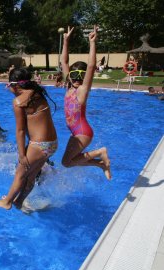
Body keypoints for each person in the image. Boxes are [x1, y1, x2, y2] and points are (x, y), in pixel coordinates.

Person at [0, 68, 58, 210]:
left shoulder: (19, 101)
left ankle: (7, 201)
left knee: (20, 173)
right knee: (31, 175)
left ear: (14, 84)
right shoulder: (38, 93)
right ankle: (19, 201)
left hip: (39, 144)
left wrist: (22, 155)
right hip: (52, 144)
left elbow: (20, 131)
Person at [61, 25, 111, 180]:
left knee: (67, 163)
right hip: (76, 132)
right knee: (67, 162)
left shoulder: (82, 90)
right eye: (73, 75)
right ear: (69, 76)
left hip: (82, 131)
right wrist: (66, 41)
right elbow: (64, 61)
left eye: (80, 77)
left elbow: (90, 66)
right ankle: (100, 164)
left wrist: (92, 43)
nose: (76, 79)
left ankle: (100, 153)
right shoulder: (68, 86)